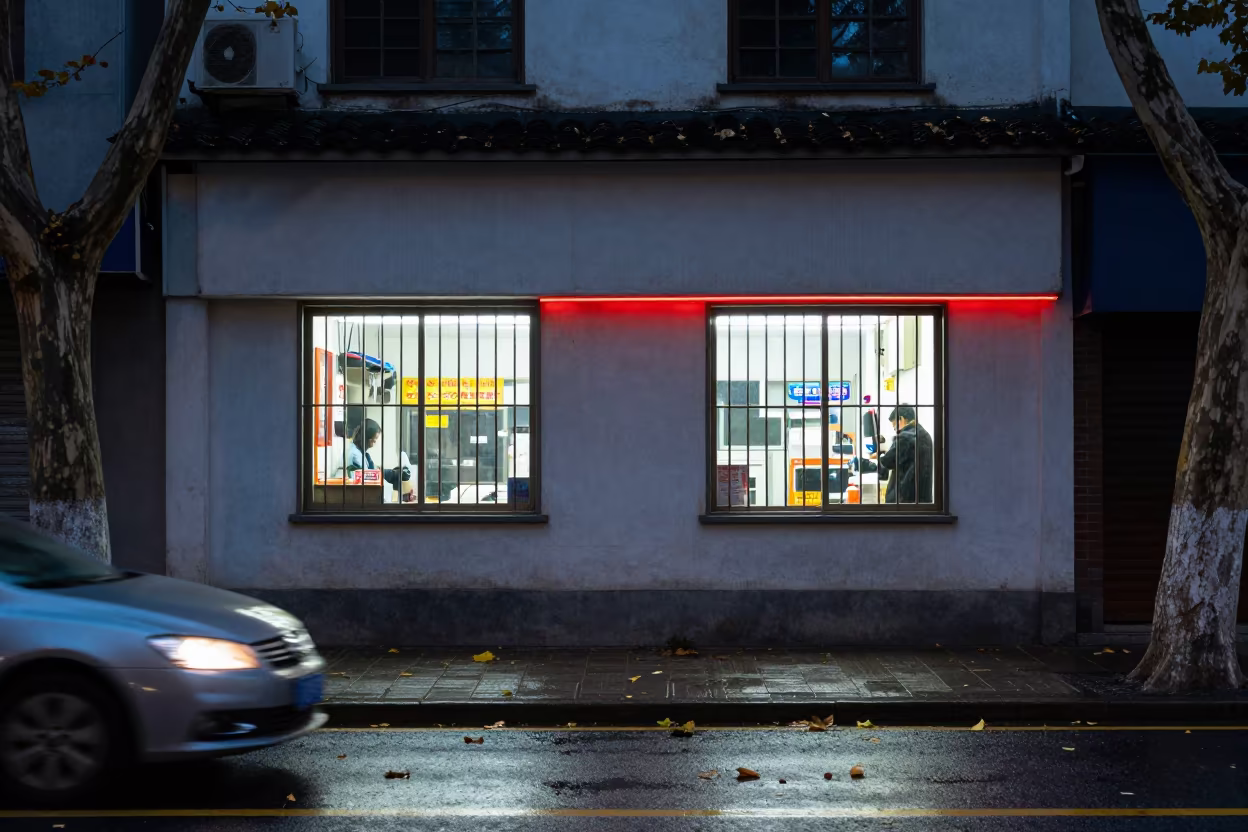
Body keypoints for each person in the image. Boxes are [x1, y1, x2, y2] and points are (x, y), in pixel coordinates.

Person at [872, 405, 933, 504]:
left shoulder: (904, 437)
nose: (895, 430)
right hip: (923, 499)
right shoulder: (926, 435)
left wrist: (882, 455)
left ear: (901, 419)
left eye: (894, 425)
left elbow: (887, 462)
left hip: (904, 499)